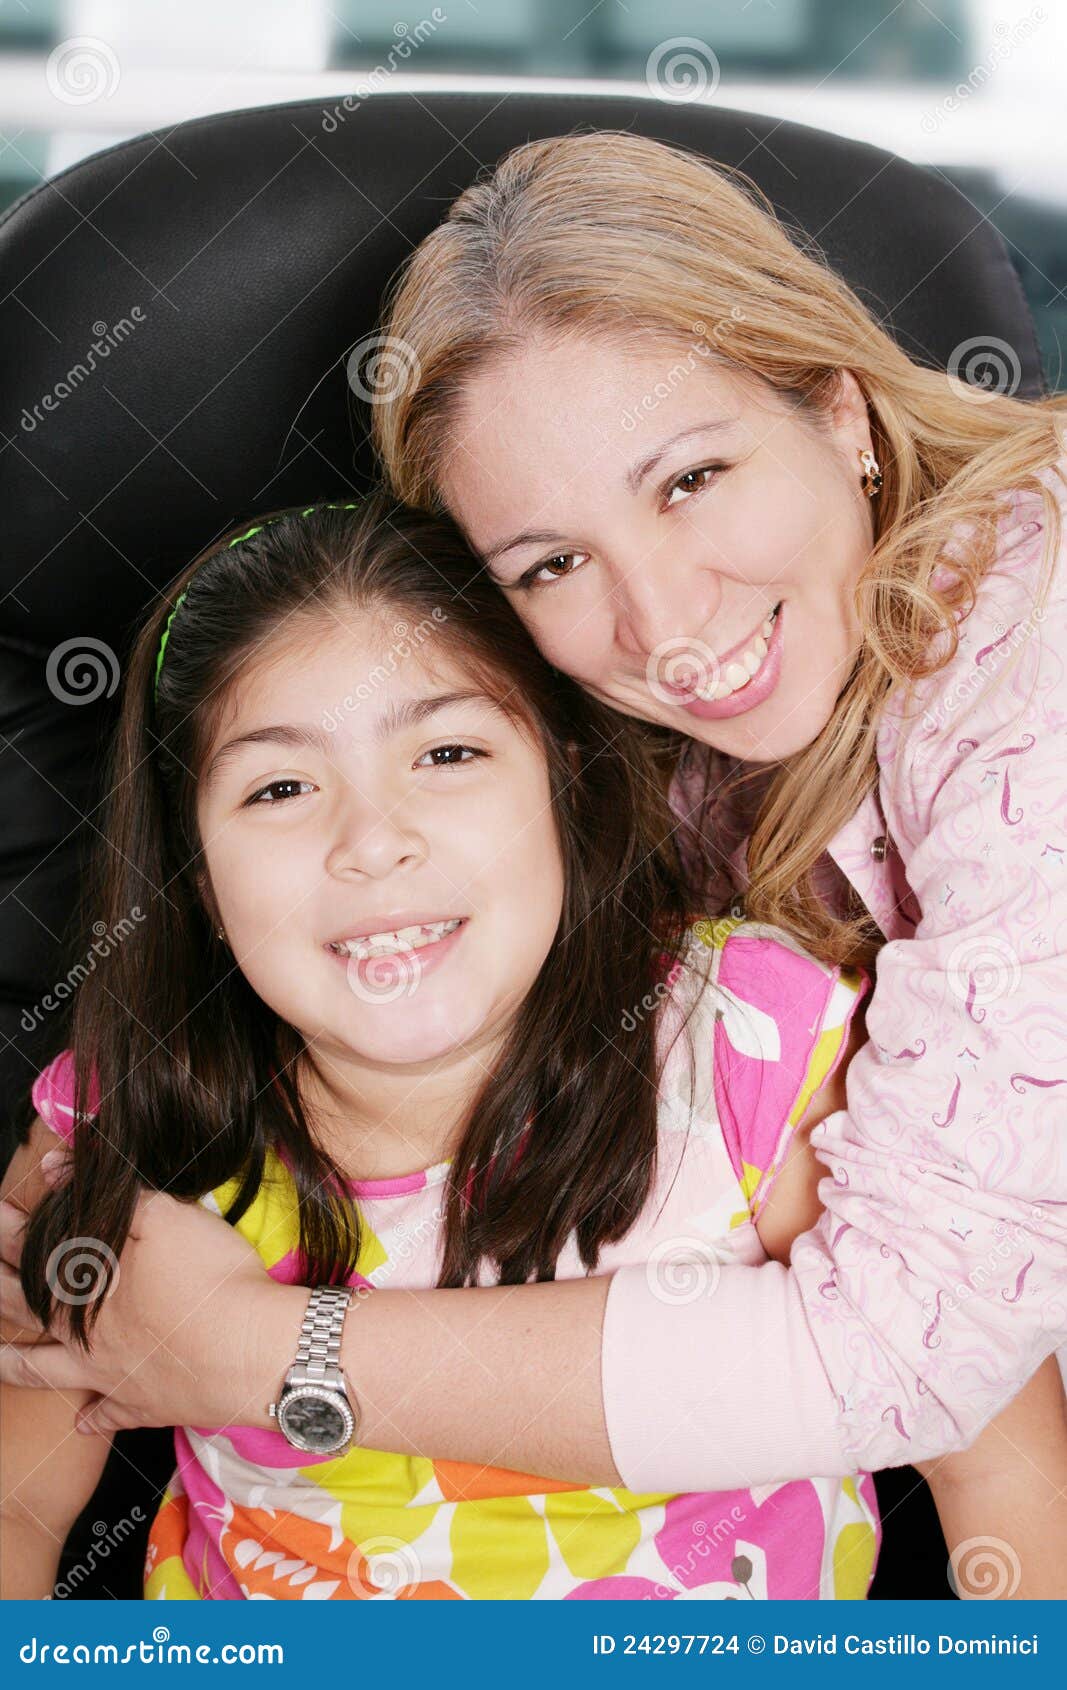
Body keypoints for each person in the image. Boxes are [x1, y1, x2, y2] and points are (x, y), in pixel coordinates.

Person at [3, 132, 1067, 1577]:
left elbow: (912, 1353)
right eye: (550, 562)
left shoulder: (1030, 641)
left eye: (690, 476)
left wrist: (252, 1346)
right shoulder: (684, 743)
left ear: (841, 409)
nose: (660, 617)